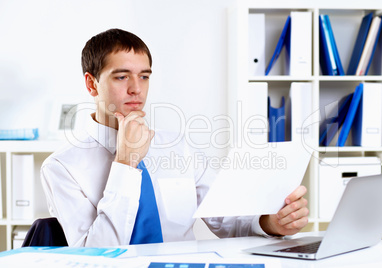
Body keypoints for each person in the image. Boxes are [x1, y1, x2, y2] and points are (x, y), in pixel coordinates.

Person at [41, 28, 309, 247]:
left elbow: (225, 220)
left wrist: (269, 223)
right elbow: (95, 254)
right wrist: (125, 163)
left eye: (144, 76)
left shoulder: (179, 147)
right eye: (122, 76)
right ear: (91, 84)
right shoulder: (62, 168)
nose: (136, 89)